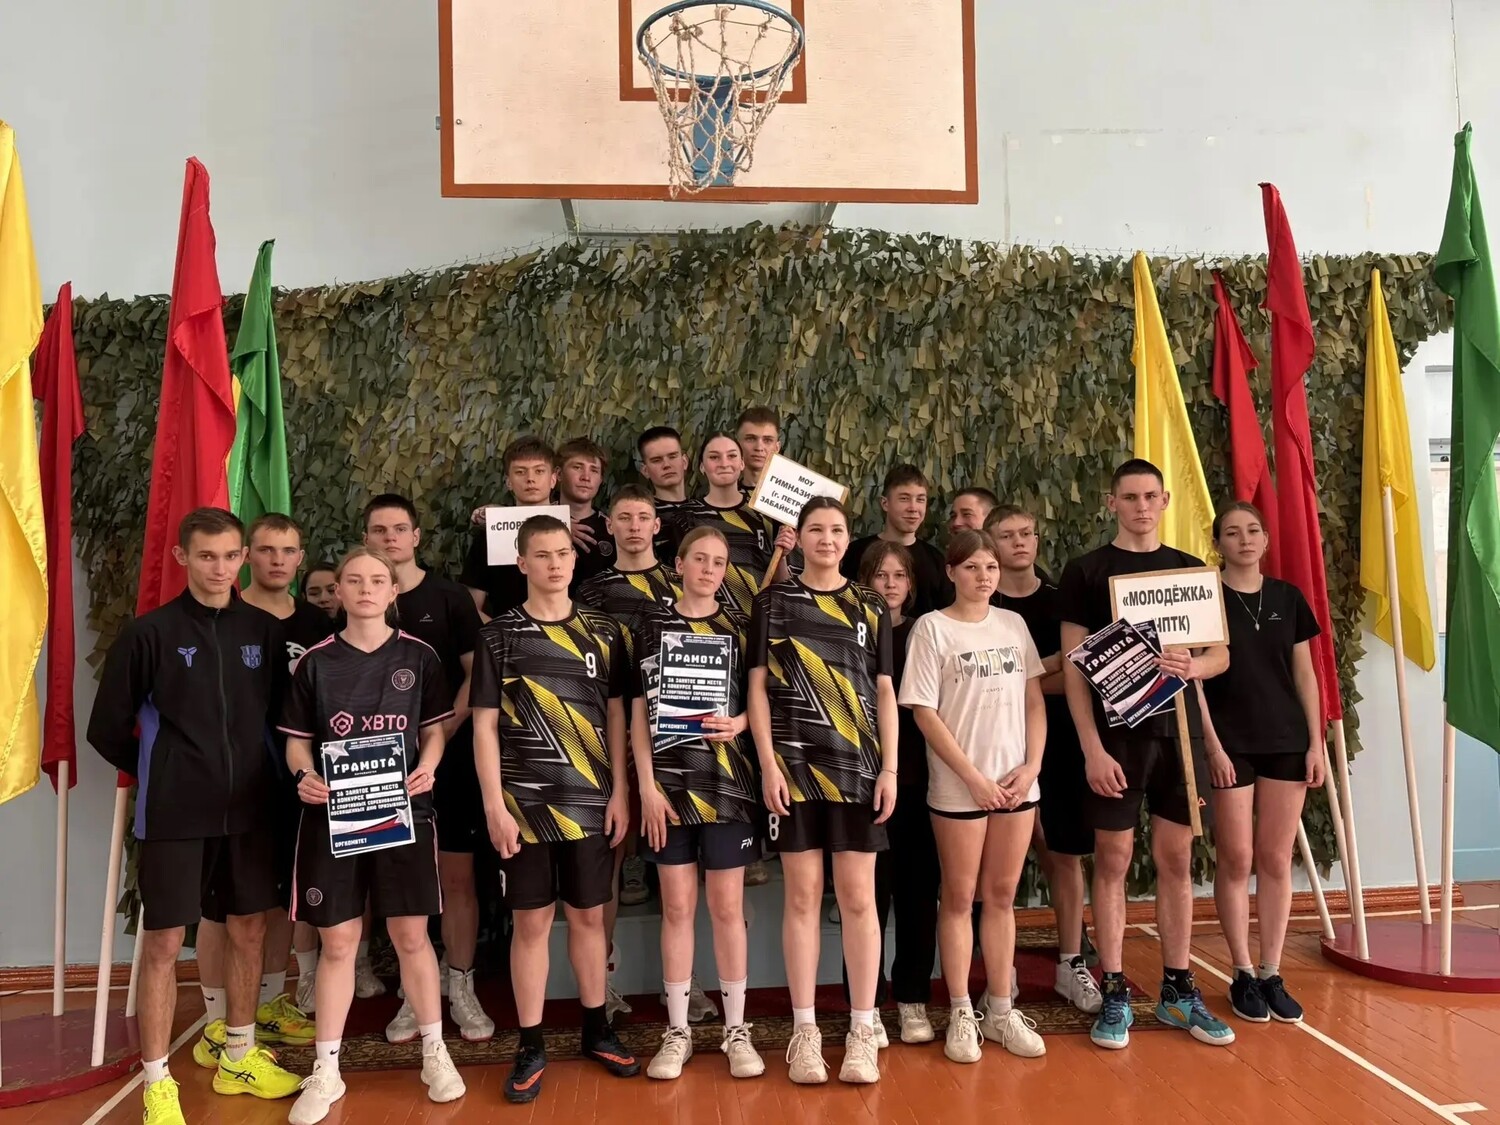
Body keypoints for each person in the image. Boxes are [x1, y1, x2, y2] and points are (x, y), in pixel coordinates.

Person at [87, 508, 301, 1124]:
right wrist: (170, 771)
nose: (220, 568)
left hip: (251, 812)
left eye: (231, 556)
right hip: (176, 815)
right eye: (207, 556)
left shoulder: (263, 632)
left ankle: (238, 1053)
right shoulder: (148, 634)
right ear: (183, 557)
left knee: (249, 929)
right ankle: (157, 1082)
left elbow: (284, 721)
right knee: (162, 942)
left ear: (244, 559)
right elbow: (107, 728)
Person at [280, 547, 466, 1123]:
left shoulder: (420, 656)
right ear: (338, 592)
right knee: (338, 943)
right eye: (354, 581)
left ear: (393, 592)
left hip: (402, 813)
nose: (366, 589)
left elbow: (434, 731)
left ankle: (434, 1052)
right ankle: (327, 1069)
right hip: (334, 818)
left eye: (377, 580)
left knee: (412, 935)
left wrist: (429, 765)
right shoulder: (315, 662)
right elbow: (296, 743)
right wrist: (304, 777)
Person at [1058, 459, 1233, 1050]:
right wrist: (1090, 748)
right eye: (1129, 497)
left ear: (1164, 502)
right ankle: (1113, 988)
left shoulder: (1189, 571)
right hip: (1116, 742)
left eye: (1149, 496)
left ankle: (1178, 989)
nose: (1140, 506)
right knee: (1112, 859)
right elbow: (1075, 671)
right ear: (1112, 503)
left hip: (1178, 740)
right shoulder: (1086, 572)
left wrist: (1195, 665)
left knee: (1176, 860)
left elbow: (1219, 656)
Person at [472, 515, 642, 1104]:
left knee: (590, 918)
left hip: (590, 802)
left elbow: (617, 715)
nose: (554, 564)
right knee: (532, 925)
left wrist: (619, 792)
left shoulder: (604, 631)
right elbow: (484, 726)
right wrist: (494, 805)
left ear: (575, 559)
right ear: (521, 563)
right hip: (523, 809)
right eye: (541, 555)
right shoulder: (499, 636)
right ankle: (531, 1044)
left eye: (563, 553)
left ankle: (597, 1030)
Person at [749, 497, 897, 1086]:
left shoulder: (870, 605)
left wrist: (889, 770)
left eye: (837, 530)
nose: (827, 539)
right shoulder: (771, 603)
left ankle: (862, 1028)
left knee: (859, 899)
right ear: (800, 537)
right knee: (803, 897)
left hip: (857, 771)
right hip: (794, 772)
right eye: (816, 529)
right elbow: (756, 689)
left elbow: (884, 692)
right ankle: (805, 1030)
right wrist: (767, 763)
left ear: (848, 538)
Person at [901, 530, 1048, 1063]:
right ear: (951, 572)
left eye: (990, 567)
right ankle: (961, 1010)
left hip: (1016, 785)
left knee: (1002, 897)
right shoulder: (931, 628)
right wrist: (973, 779)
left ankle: (1002, 1008)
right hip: (959, 789)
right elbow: (924, 713)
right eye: (972, 567)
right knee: (959, 898)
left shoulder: (1014, 624)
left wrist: (1031, 767)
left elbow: (1034, 701)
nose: (983, 576)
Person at [189, 515, 329, 1066]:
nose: (278, 560)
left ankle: (268, 1005)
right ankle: (214, 1018)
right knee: (220, 905)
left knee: (277, 898)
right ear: (248, 555)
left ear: (300, 557)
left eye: (288, 551)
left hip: (299, 780)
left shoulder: (318, 622)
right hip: (231, 782)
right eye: (267, 550)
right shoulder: (226, 618)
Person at [632, 526, 765, 1080]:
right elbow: (638, 711)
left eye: (719, 562)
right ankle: (678, 1030)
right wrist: (646, 786)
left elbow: (762, 699)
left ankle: (736, 1029)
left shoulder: (741, 626)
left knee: (727, 908)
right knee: (678, 908)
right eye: (700, 559)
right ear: (679, 565)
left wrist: (740, 723)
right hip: (668, 789)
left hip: (727, 786)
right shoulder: (650, 625)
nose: (710, 569)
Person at [363, 494, 494, 1044]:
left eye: (399, 529)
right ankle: (414, 996)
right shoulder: (362, 599)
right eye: (379, 530)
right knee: (400, 882)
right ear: (366, 539)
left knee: (457, 878)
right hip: (381, 767)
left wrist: (441, 733)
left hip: (453, 760)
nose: (390, 538)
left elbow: (476, 674)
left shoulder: (449, 597)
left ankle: (460, 985)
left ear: (416, 536)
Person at [1202, 502, 1326, 1024]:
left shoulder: (1287, 597)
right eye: (1232, 532)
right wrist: (1212, 746)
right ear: (1218, 543)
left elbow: (1305, 674)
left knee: (1275, 859)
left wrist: (1316, 743)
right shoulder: (1204, 596)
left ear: (1266, 539)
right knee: (1236, 858)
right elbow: (1192, 678)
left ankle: (1272, 971)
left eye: (1253, 530)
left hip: (1286, 741)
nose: (1244, 539)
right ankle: (1242, 972)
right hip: (1230, 743)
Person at [576, 485, 698, 1015]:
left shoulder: (679, 584)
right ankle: (602, 982)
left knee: (683, 873)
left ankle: (687, 985)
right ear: (609, 526)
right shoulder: (591, 590)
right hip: (608, 734)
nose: (633, 526)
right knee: (607, 861)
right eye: (623, 518)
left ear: (656, 525)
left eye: (642, 517)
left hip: (674, 740)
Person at [985, 503, 1102, 1014]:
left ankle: (1071, 963)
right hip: (997, 745)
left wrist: (1027, 678)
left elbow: (1082, 676)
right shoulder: (979, 605)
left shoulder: (1062, 600)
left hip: (1062, 746)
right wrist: (1047, 670)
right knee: (999, 867)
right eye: (1007, 535)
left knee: (1064, 857)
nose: (1019, 542)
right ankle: (1001, 970)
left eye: (1027, 533)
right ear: (990, 543)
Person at [857, 541, 940, 1045]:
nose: (890, 584)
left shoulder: (925, 631)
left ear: (911, 584)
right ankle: (865, 1003)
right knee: (866, 899)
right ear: (864, 580)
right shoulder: (848, 628)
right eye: (880, 575)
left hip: (920, 780)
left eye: (899, 575)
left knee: (917, 896)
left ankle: (912, 999)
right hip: (861, 783)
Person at [671, 433, 796, 613]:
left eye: (732, 456)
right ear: (702, 466)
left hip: (759, 618)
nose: (724, 463)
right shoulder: (687, 516)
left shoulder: (764, 511)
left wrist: (782, 556)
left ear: (742, 463)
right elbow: (678, 579)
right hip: (707, 621)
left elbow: (782, 581)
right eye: (714, 457)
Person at [463, 434, 560, 618]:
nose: (530, 479)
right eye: (520, 472)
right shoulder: (489, 535)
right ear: (508, 482)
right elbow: (471, 607)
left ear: (553, 479)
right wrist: (500, 632)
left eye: (539, 471)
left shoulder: (574, 531)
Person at [842, 464, 950, 614]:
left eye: (920, 500)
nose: (913, 508)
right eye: (904, 499)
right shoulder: (856, 552)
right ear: (885, 503)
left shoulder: (936, 560)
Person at [558, 437, 615, 592]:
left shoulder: (611, 529)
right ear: (558, 474)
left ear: (601, 479)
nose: (586, 477)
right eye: (577, 467)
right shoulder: (536, 520)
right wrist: (556, 526)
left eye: (594, 470)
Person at [637, 425, 693, 558]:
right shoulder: (640, 517)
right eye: (657, 460)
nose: (666, 465)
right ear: (645, 470)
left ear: (684, 461)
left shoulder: (704, 511)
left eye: (672, 456)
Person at [735, 405, 781, 493]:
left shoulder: (796, 498)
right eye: (750, 439)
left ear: (777, 448)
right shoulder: (721, 497)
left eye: (767, 440)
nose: (759, 448)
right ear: (736, 445)